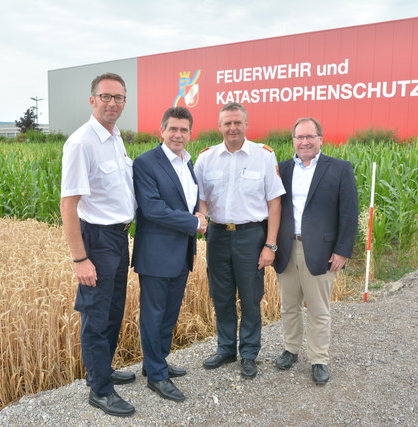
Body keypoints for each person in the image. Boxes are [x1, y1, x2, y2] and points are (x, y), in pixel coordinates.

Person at [60, 72, 137, 417]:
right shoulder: (81, 143)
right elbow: (68, 205)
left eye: (118, 98)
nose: (112, 103)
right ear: (92, 100)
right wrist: (80, 259)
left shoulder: (115, 138)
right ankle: (100, 390)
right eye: (105, 97)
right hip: (98, 239)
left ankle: (103, 369)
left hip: (120, 237)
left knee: (114, 310)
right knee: (95, 314)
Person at [195, 102, 285, 379]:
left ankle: (248, 353)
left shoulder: (264, 156)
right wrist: (201, 216)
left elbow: (275, 203)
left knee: (250, 297)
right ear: (219, 126)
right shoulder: (206, 159)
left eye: (237, 122)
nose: (232, 128)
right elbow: (200, 198)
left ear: (246, 124)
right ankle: (225, 349)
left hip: (251, 235)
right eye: (227, 123)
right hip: (218, 235)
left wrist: (270, 244)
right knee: (220, 296)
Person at [273, 117, 359, 385]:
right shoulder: (282, 169)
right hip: (286, 248)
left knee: (319, 309)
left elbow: (349, 213)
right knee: (289, 305)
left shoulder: (339, 169)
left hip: (321, 250)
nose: (305, 142)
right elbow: (272, 209)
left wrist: (342, 251)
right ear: (293, 141)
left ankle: (319, 359)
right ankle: (291, 349)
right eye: (299, 137)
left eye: (310, 136)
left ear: (321, 139)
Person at [132, 106, 207, 402]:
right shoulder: (146, 163)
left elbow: (189, 199)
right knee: (153, 314)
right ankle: (156, 376)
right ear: (161, 131)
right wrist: (194, 222)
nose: (178, 134)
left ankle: (156, 363)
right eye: (172, 129)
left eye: (183, 130)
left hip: (180, 252)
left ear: (190, 133)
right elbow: (152, 209)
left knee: (169, 313)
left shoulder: (187, 162)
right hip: (156, 253)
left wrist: (199, 211)